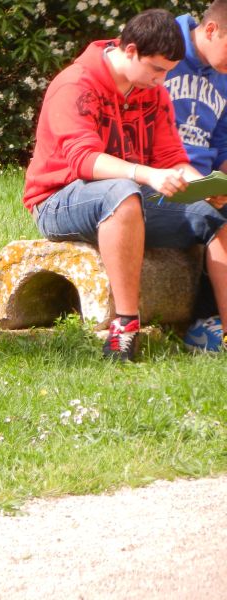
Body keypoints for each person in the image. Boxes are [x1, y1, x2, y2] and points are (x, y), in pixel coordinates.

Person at [23, 8, 227, 361]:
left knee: (212, 216)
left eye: (168, 72)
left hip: (127, 198)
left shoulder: (151, 91)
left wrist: (204, 185)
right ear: (130, 50)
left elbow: (171, 157)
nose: (161, 81)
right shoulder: (76, 84)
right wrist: (147, 174)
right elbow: (84, 160)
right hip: (58, 200)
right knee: (123, 191)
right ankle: (125, 328)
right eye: (157, 69)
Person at [164, 2, 227, 351]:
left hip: (205, 182)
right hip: (164, 179)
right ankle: (205, 323)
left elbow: (223, 144)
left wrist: (221, 184)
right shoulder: (163, 49)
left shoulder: (223, 76)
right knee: (218, 220)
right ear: (212, 30)